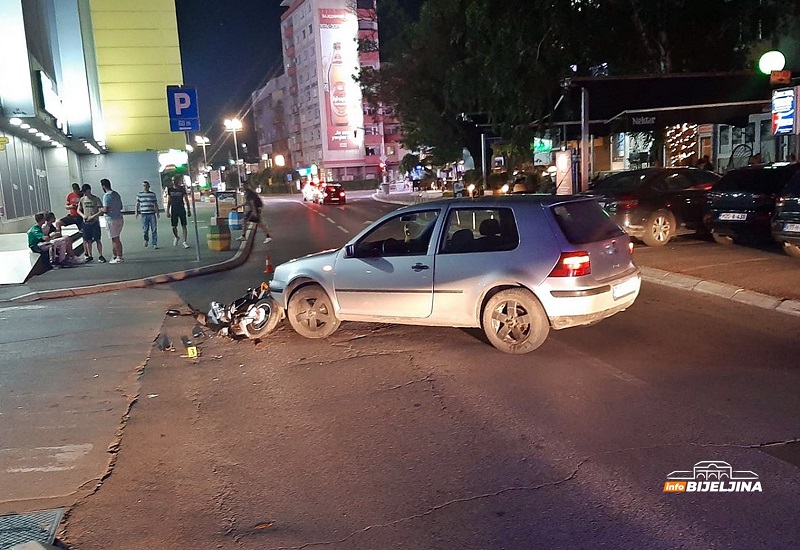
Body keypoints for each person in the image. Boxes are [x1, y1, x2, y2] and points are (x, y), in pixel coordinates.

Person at [77, 184, 106, 263]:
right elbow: (78, 210)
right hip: (86, 222)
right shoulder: (82, 199)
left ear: (89, 190)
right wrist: (83, 215)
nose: (84, 194)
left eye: (85, 192)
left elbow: (101, 210)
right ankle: (90, 255)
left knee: (97, 239)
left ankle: (100, 255)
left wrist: (93, 216)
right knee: (87, 240)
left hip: (95, 222)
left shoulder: (96, 199)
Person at [101, 178, 125, 263]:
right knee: (116, 237)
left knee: (115, 239)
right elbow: (121, 206)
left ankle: (119, 256)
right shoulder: (116, 194)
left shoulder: (106, 196)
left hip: (111, 219)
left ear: (103, 186)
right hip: (119, 218)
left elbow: (105, 209)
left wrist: (100, 210)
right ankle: (115, 255)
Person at [167, 176, 191, 249]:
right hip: (174, 209)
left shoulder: (182, 189)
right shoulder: (170, 189)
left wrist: (189, 210)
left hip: (181, 208)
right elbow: (169, 201)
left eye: (175, 180)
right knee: (174, 226)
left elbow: (186, 199)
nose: (173, 182)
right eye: (172, 180)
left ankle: (185, 241)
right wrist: (167, 211)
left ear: (178, 181)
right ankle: (177, 237)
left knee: (184, 225)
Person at [135, 180, 160, 249]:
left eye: (146, 186)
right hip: (144, 214)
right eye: (144, 186)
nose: (145, 187)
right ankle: (146, 239)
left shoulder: (152, 194)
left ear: (149, 186)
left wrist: (157, 212)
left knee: (154, 229)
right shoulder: (140, 194)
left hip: (152, 214)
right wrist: (136, 212)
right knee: (145, 229)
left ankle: (154, 243)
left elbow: (155, 204)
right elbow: (137, 204)